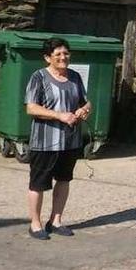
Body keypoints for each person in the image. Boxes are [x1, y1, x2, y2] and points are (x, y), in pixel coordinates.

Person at [25, 37, 91, 240]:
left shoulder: (75, 77)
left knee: (64, 180)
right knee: (38, 183)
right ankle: (35, 224)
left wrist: (83, 110)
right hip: (44, 142)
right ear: (48, 58)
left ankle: (56, 220)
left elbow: (86, 102)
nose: (64, 57)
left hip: (70, 141)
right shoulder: (38, 77)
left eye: (66, 53)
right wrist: (60, 115)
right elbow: (31, 107)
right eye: (58, 54)